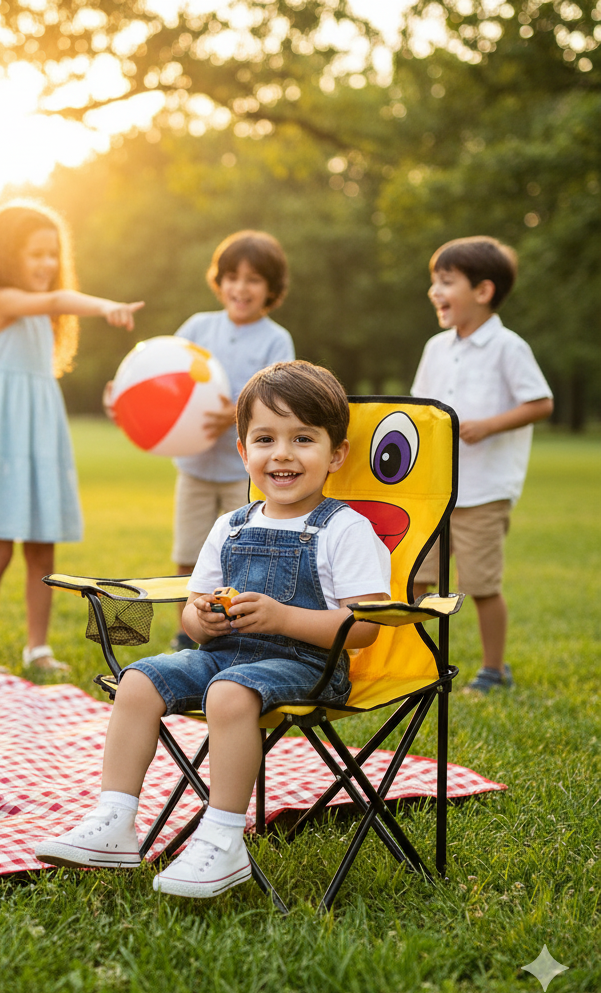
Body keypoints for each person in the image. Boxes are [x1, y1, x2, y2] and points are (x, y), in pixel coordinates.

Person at [36, 361, 391, 898]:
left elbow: (366, 627)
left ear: (336, 453)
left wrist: (283, 617)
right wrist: (200, 618)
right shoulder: (231, 525)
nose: (283, 454)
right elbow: (192, 613)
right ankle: (115, 820)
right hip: (225, 655)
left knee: (227, 693)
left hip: (308, 667)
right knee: (138, 680)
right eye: (265, 439)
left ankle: (224, 838)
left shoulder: (345, 528)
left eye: (303, 438)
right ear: (244, 452)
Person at [0, 202, 143, 678]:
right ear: (5, 256)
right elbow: (55, 300)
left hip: (39, 433)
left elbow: (51, 305)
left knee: (42, 549)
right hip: (3, 437)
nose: (47, 265)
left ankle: (37, 647)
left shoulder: (38, 312)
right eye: (35, 254)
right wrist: (105, 306)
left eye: (53, 255)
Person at [106, 230, 294, 651]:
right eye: (231, 277)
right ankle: (186, 631)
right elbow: (160, 379)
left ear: (271, 289)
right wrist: (124, 398)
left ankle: (237, 634)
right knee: (189, 554)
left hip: (243, 473)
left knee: (240, 556)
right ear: (219, 281)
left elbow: (280, 401)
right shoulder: (198, 326)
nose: (240, 288)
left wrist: (235, 414)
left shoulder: (275, 339)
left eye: (252, 279)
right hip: (193, 469)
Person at [411, 236, 553, 695]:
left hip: (484, 490)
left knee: (481, 583)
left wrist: (489, 426)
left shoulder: (507, 347)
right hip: (436, 489)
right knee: (417, 580)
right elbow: (418, 410)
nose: (434, 291)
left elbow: (540, 402)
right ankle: (413, 663)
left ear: (483, 291)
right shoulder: (436, 347)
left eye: (446, 281)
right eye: (434, 281)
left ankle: (494, 670)